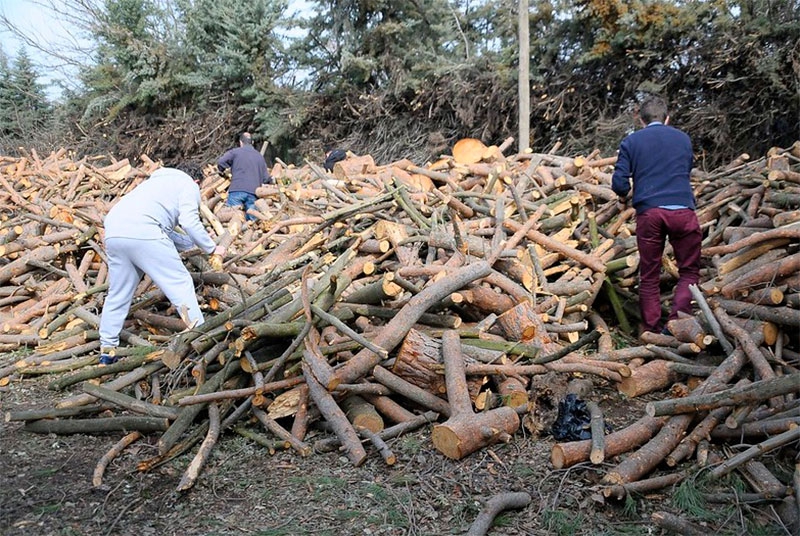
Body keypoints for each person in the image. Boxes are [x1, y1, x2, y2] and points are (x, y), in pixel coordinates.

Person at [98, 164, 225, 365]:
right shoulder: (188, 184)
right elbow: (189, 222)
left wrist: (194, 243)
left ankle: (107, 350)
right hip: (143, 231)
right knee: (180, 283)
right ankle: (200, 335)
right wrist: (211, 248)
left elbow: (164, 229)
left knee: (118, 293)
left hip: (114, 231)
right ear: (198, 181)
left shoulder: (154, 183)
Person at [611, 95, 702, 336]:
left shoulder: (631, 142)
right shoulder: (683, 139)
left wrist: (624, 196)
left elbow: (619, 183)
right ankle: (678, 323)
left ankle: (651, 330)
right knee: (689, 271)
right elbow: (685, 169)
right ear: (667, 118)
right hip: (682, 210)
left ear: (640, 120)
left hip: (649, 213)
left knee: (649, 275)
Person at [217, 132, 272, 221]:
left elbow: (221, 162)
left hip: (237, 190)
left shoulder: (235, 152)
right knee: (253, 221)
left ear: (240, 142)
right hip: (253, 193)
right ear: (252, 142)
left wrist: (223, 171)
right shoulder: (259, 157)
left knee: (233, 218)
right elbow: (266, 178)